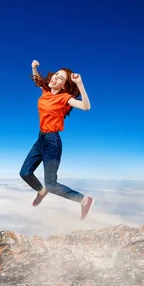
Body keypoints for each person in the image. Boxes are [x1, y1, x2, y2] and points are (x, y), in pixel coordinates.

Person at [19, 60, 94, 220]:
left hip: (52, 142)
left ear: (64, 86)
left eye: (60, 78)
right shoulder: (45, 91)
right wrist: (33, 67)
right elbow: (37, 79)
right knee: (25, 173)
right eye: (56, 75)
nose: (55, 78)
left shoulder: (65, 98)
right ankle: (41, 192)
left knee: (51, 184)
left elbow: (86, 106)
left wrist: (79, 84)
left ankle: (84, 200)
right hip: (41, 139)